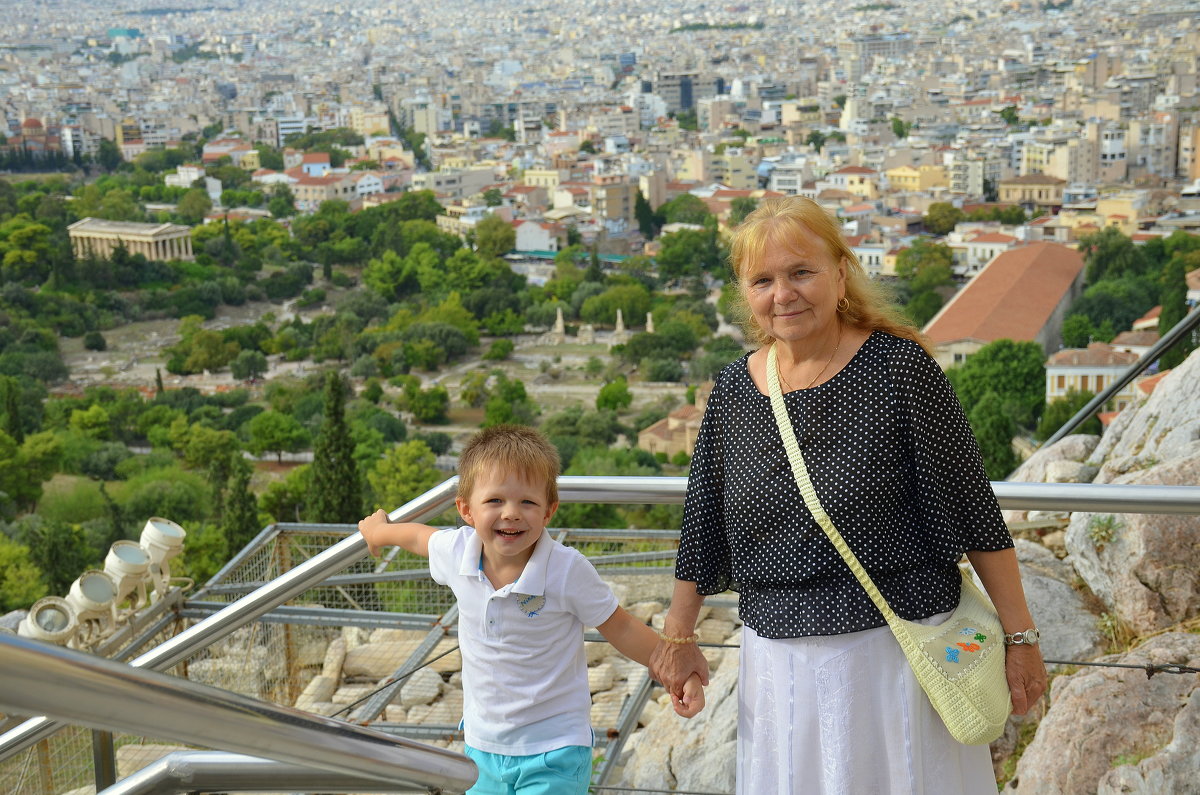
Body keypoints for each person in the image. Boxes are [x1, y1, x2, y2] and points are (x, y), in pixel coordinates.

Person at [647, 196, 1046, 793]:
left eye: (800, 272)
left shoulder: (897, 368)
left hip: (894, 655)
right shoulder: (734, 389)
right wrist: (678, 640)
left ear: (840, 273)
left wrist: (1021, 639)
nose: (784, 294)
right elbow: (702, 524)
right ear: (745, 295)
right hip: (779, 667)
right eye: (763, 280)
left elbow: (973, 511)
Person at [359, 424, 704, 795]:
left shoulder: (565, 569)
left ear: (549, 510)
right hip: (483, 747)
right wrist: (378, 532)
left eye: (527, 502)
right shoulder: (457, 550)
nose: (511, 514)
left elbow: (620, 627)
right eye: (494, 501)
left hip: (555, 749)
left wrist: (677, 672)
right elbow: (417, 537)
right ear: (466, 510)